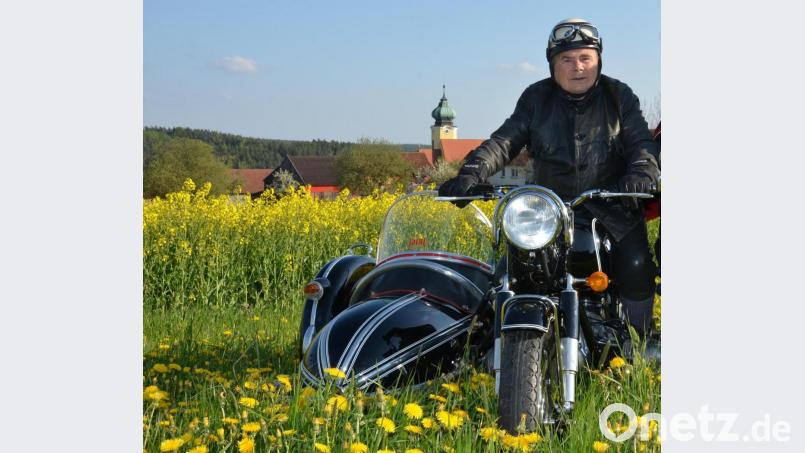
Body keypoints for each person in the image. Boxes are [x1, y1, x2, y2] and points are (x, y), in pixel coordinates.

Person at [439, 18, 660, 338]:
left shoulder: (619, 96)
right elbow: (504, 142)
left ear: (598, 61)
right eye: (567, 59)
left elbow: (641, 142)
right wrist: (472, 171)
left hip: (614, 209)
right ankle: (491, 346)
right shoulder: (535, 98)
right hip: (548, 212)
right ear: (552, 64)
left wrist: (641, 172)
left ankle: (639, 342)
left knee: (637, 265)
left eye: (585, 58)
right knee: (505, 278)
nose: (578, 67)